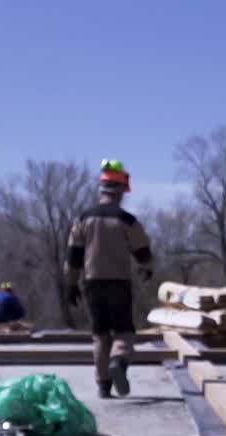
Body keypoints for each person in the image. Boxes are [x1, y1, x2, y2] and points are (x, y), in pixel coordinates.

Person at [65, 159, 154, 398]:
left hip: (92, 282)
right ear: (122, 191)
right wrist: (146, 268)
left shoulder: (83, 218)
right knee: (123, 332)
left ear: (102, 189)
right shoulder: (126, 220)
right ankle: (119, 362)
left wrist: (71, 284)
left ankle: (103, 385)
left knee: (100, 335)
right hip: (119, 283)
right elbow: (143, 251)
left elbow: (74, 256)